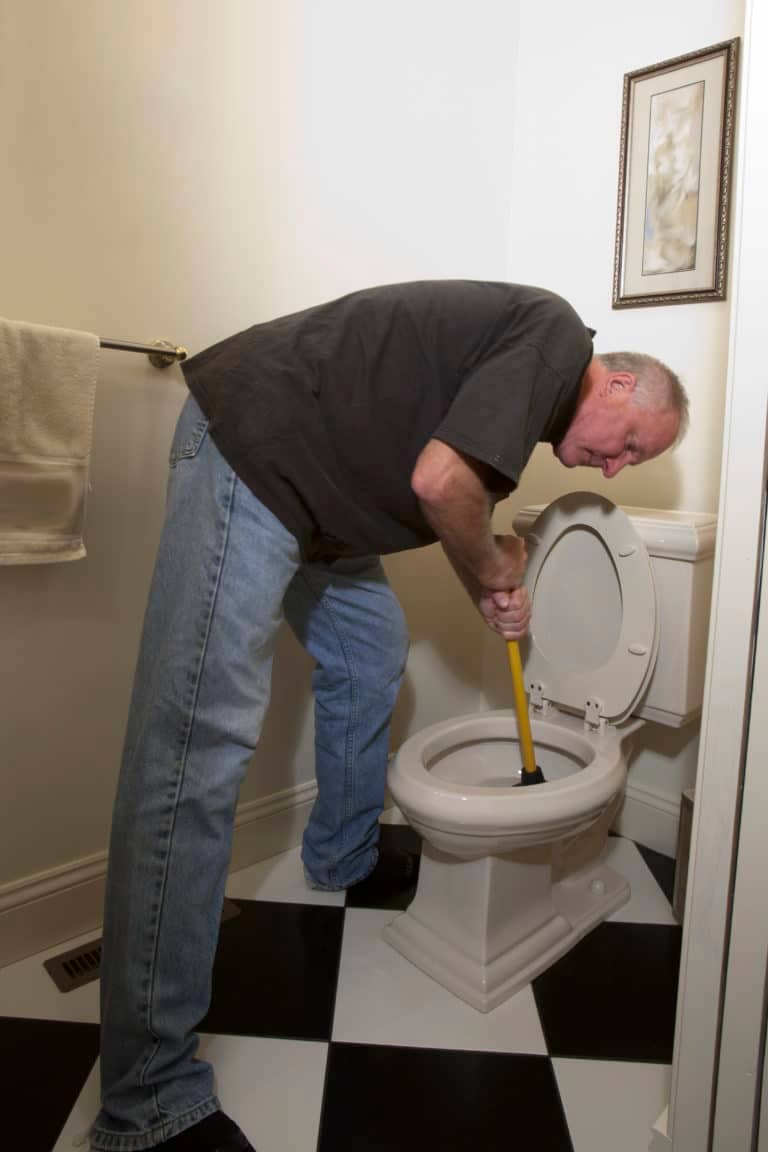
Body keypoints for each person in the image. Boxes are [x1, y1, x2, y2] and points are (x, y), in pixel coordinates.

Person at [90, 281, 687, 1151]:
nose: (612, 468)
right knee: (191, 753)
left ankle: (343, 853)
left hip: (317, 508)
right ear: (620, 386)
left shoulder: (526, 383)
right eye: (627, 446)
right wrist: (495, 566)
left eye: (627, 465)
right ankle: (146, 1104)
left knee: (370, 656)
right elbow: (442, 483)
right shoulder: (558, 338)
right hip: (256, 457)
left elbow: (451, 500)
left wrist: (490, 584)